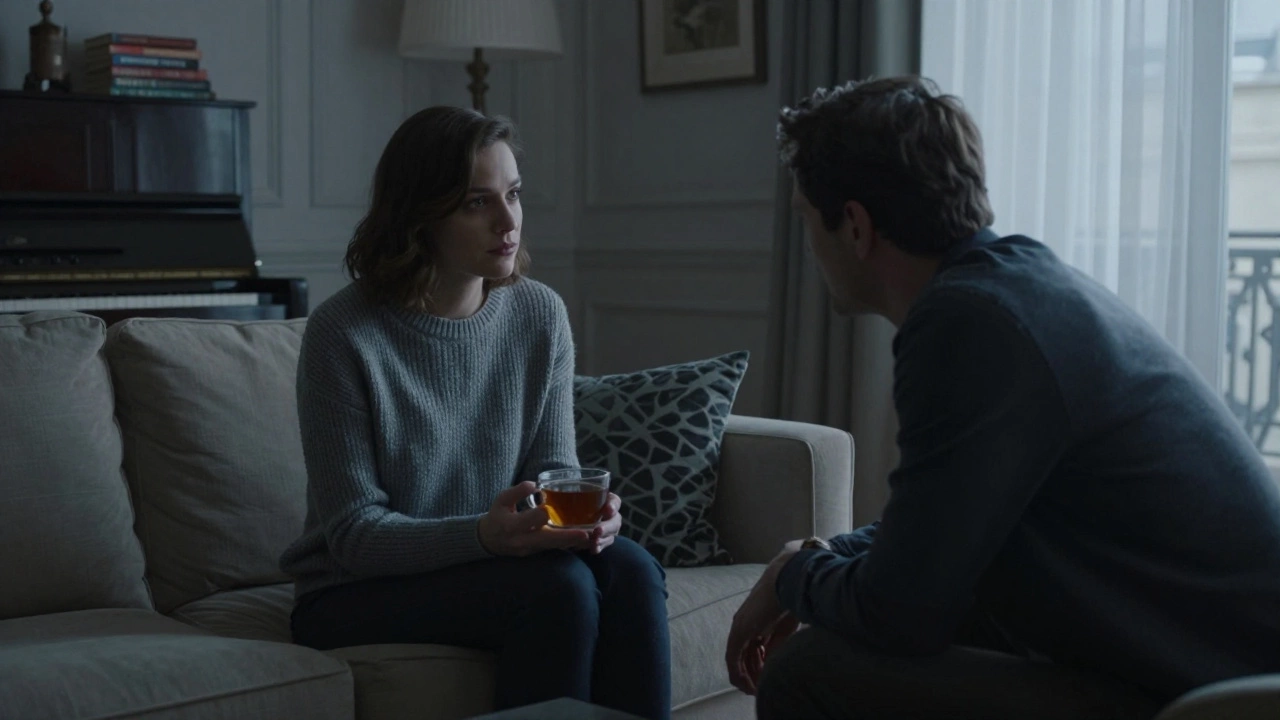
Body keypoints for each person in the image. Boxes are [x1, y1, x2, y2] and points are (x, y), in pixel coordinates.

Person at [726, 76, 1280, 720]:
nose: (810, 249)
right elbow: (944, 526)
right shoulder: (1015, 287)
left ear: (854, 226)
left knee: (810, 671)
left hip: (1216, 700)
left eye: (806, 221)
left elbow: (900, 611)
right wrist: (817, 556)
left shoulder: (967, 326)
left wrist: (794, 578)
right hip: (1193, 661)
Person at [280, 106, 671, 720]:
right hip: (351, 591)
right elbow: (355, 535)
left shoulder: (538, 314)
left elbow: (552, 471)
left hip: (495, 560)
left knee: (634, 571)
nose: (508, 221)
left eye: (513, 194)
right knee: (559, 592)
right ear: (419, 216)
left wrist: (582, 521)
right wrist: (486, 535)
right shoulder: (344, 333)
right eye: (476, 203)